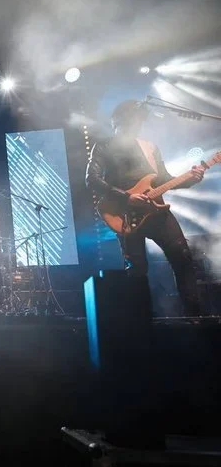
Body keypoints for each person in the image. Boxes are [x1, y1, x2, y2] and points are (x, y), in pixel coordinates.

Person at [86, 99, 205, 316]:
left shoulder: (149, 147)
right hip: (125, 214)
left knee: (183, 257)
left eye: (139, 121)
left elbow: (164, 179)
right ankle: (142, 322)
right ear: (119, 121)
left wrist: (191, 179)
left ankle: (195, 317)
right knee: (137, 269)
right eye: (133, 120)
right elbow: (91, 179)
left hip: (156, 211)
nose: (137, 125)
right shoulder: (104, 146)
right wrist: (126, 197)